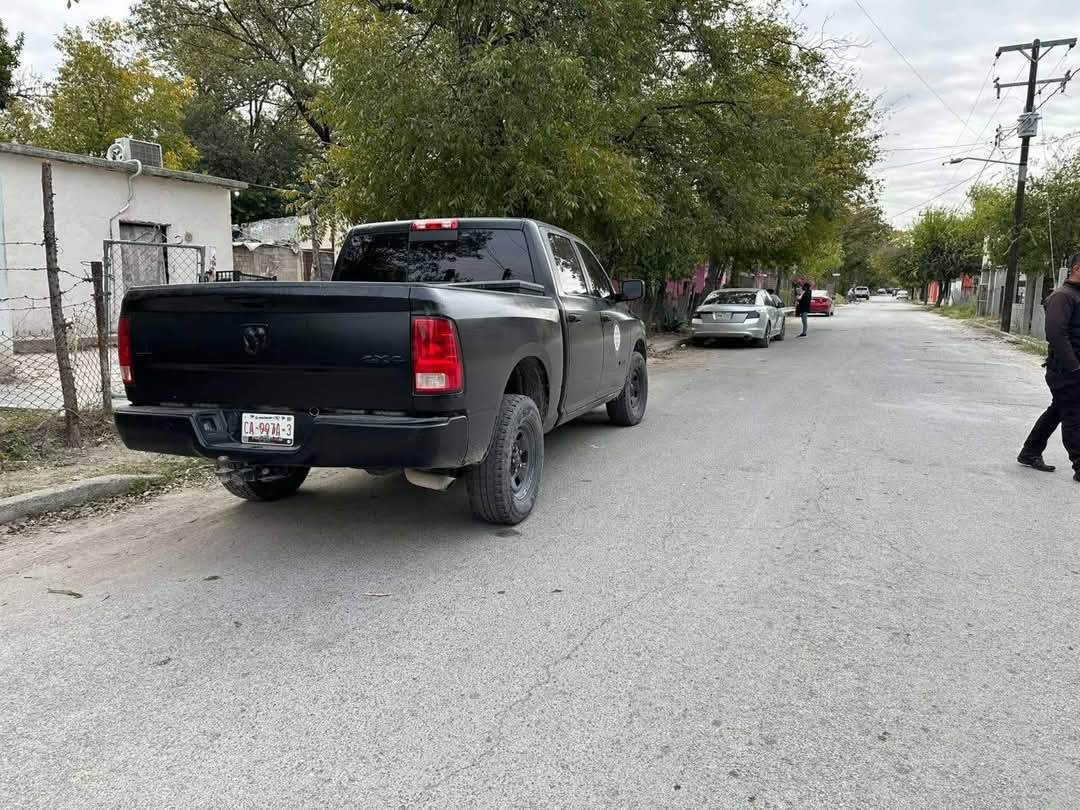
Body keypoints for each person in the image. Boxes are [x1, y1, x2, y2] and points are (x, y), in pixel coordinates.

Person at [1018, 252, 1080, 481]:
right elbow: (1056, 334)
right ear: (1076, 269)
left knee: (1058, 411)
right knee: (1074, 416)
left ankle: (1030, 451)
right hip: (1066, 370)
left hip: (1070, 369)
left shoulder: (1075, 295)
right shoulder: (1063, 296)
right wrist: (1074, 368)